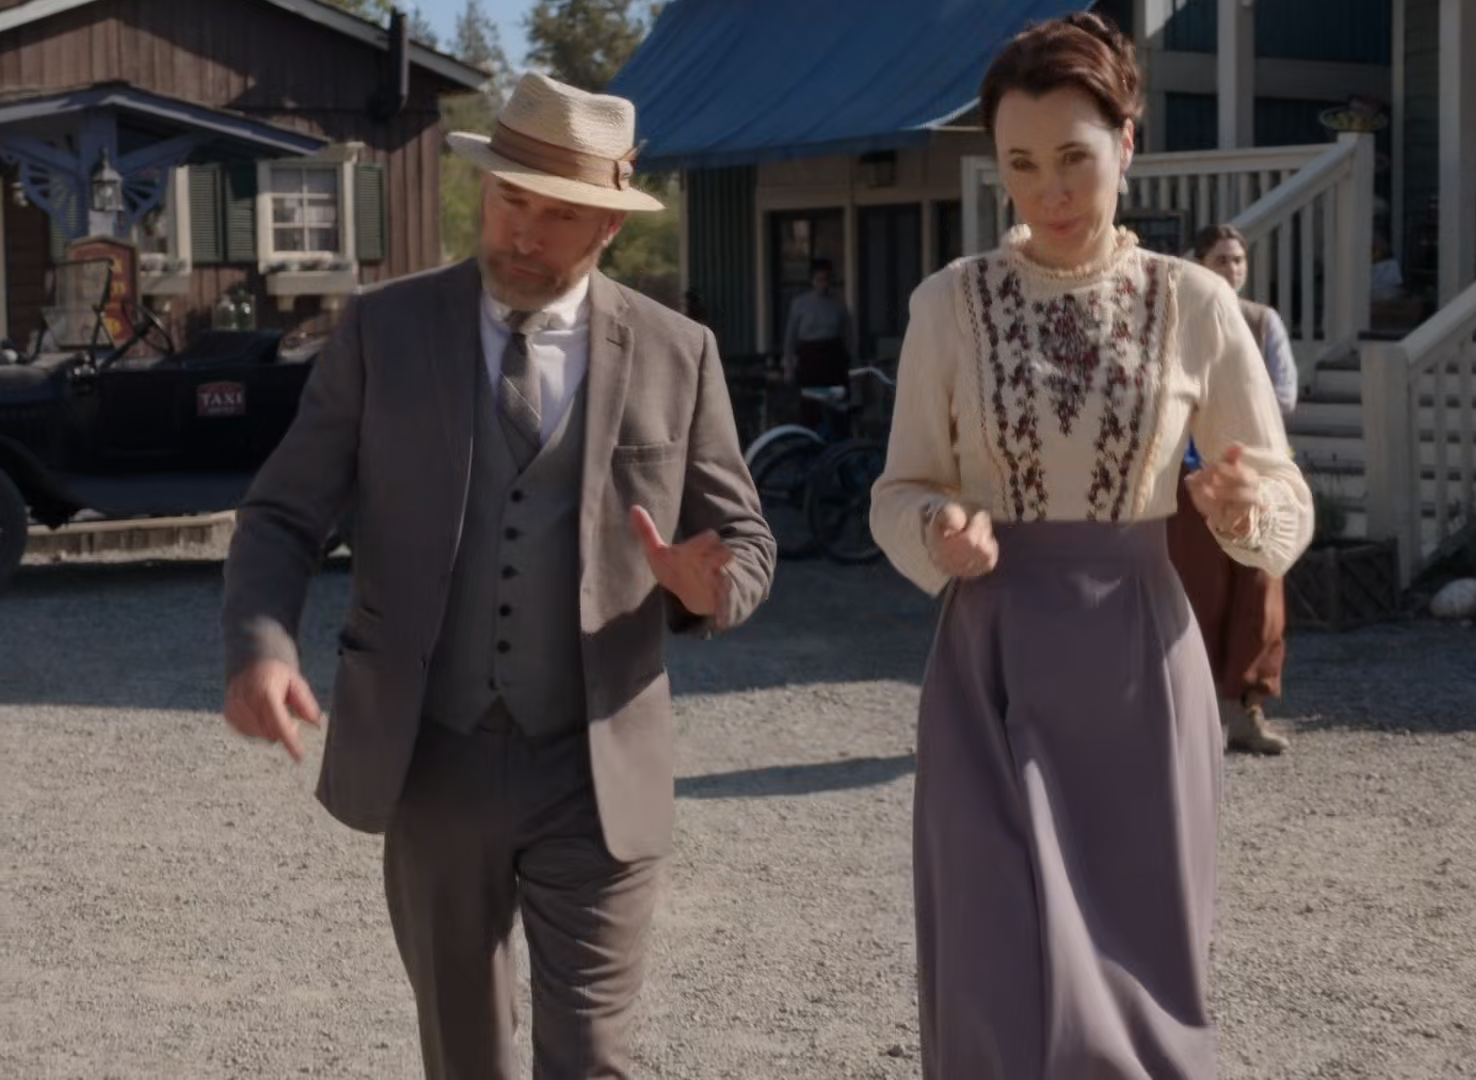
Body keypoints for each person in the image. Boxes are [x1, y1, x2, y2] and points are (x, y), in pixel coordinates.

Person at [218, 72, 774, 1080]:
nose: (524, 232)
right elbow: (282, 514)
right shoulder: (384, 332)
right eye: (512, 199)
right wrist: (262, 646)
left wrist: (709, 588)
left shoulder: (676, 352)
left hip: (596, 766)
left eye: (560, 215)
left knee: (590, 1056)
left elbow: (743, 540)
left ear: (609, 224)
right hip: (433, 756)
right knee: (466, 1057)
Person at [868, 14, 1314, 1077]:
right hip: (989, 661)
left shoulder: (1198, 303)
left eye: (1073, 157)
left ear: (1127, 143)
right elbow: (899, 491)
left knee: (1134, 981)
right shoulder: (948, 305)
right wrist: (938, 531)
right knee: (991, 969)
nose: (1050, 191)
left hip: (1140, 667)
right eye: (1020, 164)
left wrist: (1243, 512)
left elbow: (1286, 498)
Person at [1168, 222, 1301, 754]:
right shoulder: (1177, 323)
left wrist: (1232, 406)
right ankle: (1191, 717)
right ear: (1199, 264)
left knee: (1260, 591)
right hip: (1192, 475)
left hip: (1255, 475)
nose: (1231, 268)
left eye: (1238, 260)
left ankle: (1246, 711)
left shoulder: (1262, 322)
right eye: (1221, 259)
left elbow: (1284, 396)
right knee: (1199, 591)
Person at [781, 257, 855, 428]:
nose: (823, 284)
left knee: (837, 408)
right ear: (812, 280)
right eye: (819, 279)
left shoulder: (838, 306)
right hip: (809, 360)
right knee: (809, 408)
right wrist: (788, 368)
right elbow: (790, 339)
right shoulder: (799, 304)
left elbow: (849, 339)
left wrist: (853, 364)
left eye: (826, 279)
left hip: (833, 359)